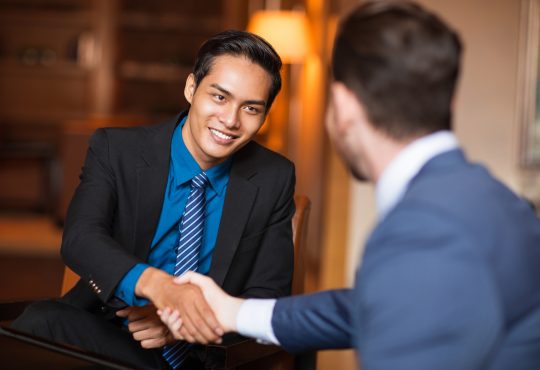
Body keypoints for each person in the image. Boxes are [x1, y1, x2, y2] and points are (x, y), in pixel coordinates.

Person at [160, 2, 540, 369]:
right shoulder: (497, 200)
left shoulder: (423, 230)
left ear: (342, 106)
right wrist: (235, 312)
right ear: (449, 103)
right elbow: (372, 305)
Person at [12, 30, 296, 369]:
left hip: (202, 354)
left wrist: (184, 325)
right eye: (219, 97)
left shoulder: (273, 177)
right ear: (191, 88)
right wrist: (160, 288)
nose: (231, 121)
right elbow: (80, 238)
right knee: (41, 322)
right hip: (111, 332)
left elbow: (269, 299)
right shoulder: (117, 150)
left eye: (250, 108)